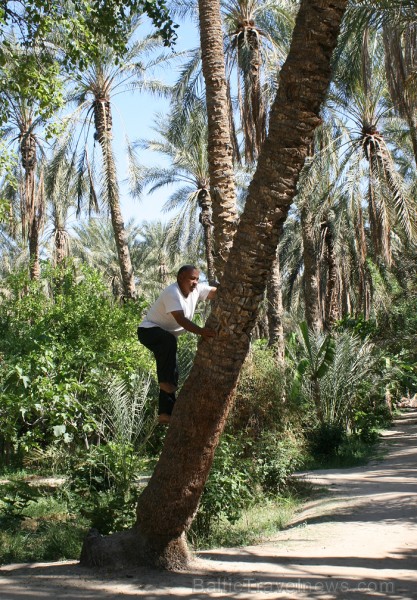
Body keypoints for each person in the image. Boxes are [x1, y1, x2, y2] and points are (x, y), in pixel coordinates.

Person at [137, 265, 217, 424]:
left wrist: (230, 286)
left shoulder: (197, 289)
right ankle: (166, 387)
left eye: (197, 279)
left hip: (166, 338)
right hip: (149, 332)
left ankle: (165, 413)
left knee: (172, 370)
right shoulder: (172, 292)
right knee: (169, 345)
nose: (195, 282)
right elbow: (180, 319)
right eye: (191, 279)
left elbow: (215, 293)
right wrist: (202, 331)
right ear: (180, 278)